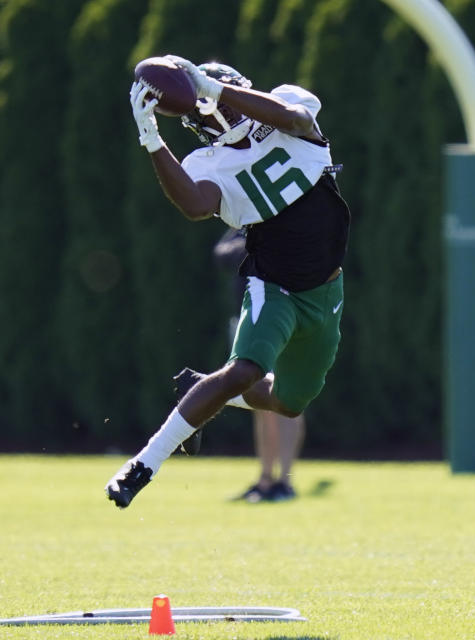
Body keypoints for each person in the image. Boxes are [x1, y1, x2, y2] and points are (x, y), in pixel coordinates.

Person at [105, 55, 350, 509]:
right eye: (206, 103)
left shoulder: (286, 106)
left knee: (288, 401)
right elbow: (197, 206)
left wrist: (214, 90)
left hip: (325, 290)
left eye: (219, 97)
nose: (220, 111)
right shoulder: (207, 161)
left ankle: (201, 390)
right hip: (272, 283)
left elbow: (294, 119)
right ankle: (143, 465)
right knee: (245, 370)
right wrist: (152, 139)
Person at [212, 228, 305, 503]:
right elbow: (221, 255)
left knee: (289, 399)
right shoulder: (246, 218)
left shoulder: (294, 213)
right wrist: (252, 246)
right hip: (247, 321)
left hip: (284, 318)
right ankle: (265, 479)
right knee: (258, 400)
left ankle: (284, 482)